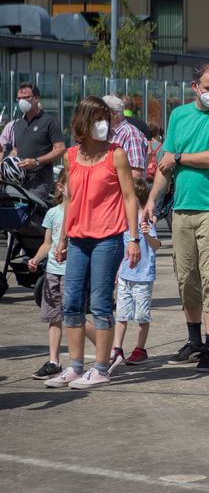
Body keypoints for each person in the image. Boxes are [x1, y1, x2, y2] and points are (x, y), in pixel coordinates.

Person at [146, 63, 209, 372]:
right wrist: (151, 201)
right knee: (187, 278)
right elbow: (164, 166)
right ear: (195, 87)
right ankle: (194, 340)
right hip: (182, 210)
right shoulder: (179, 116)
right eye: (208, 88)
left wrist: (179, 158)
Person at [45, 96, 141, 389]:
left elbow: (129, 197)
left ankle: (100, 368)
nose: (104, 124)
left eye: (106, 118)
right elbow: (70, 199)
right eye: (97, 118)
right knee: (71, 303)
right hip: (77, 239)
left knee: (100, 305)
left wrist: (134, 238)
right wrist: (61, 240)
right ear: (83, 122)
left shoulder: (116, 154)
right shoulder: (71, 156)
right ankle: (75, 367)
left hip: (108, 239)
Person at [27, 170, 98, 379]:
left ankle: (106, 348)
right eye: (71, 184)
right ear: (60, 187)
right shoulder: (52, 213)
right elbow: (47, 244)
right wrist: (36, 259)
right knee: (53, 318)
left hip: (72, 272)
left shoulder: (82, 212)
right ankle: (53, 361)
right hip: (52, 272)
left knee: (74, 316)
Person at [111, 177, 160, 368]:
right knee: (121, 315)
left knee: (142, 316)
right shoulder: (123, 221)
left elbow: (156, 245)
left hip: (143, 277)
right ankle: (117, 349)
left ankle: (140, 349)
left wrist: (147, 234)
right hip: (125, 276)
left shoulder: (145, 221)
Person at [11, 82, 67, 202]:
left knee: (32, 215)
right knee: (17, 215)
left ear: (36, 98)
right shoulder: (18, 124)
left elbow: (60, 149)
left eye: (26, 97)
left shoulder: (49, 121)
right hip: (18, 179)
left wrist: (36, 162)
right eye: (19, 98)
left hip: (40, 179)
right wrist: (7, 164)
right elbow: (15, 150)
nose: (22, 101)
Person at [104, 95, 149, 179]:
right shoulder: (108, 133)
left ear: (114, 114)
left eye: (102, 113)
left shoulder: (131, 134)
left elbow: (136, 173)